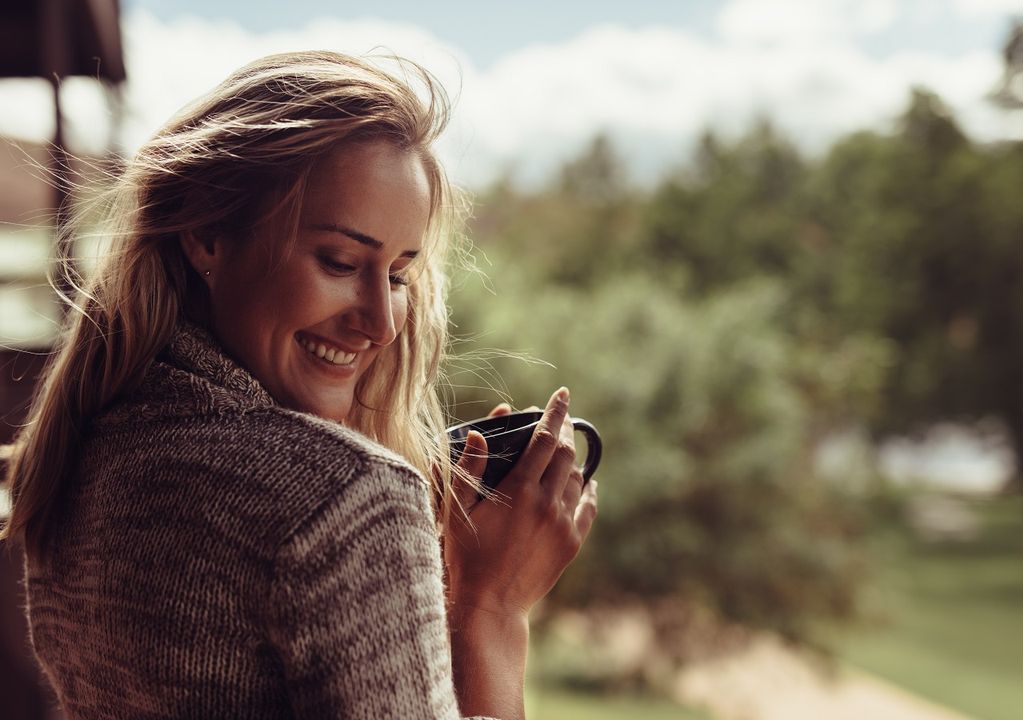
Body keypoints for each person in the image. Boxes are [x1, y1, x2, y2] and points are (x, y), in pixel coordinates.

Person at [1, 51, 598, 719]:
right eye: (340, 262)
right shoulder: (346, 496)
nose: (378, 322)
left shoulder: (77, 460)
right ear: (207, 235)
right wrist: (491, 610)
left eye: (399, 276)